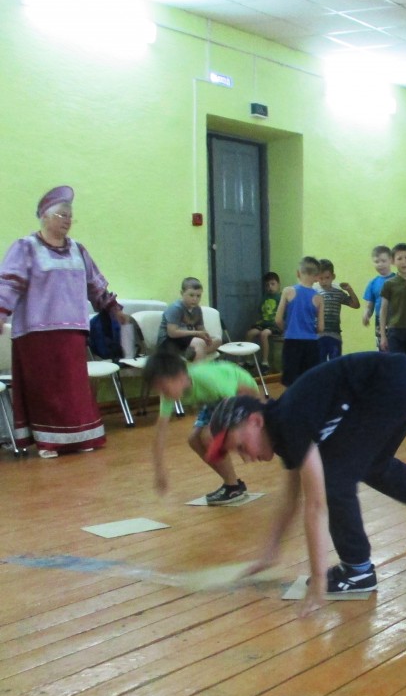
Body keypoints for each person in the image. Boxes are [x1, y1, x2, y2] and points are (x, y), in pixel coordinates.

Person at [204, 352, 406, 616]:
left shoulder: (290, 421)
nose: (245, 458)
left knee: (333, 477)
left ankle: (357, 570)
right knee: (374, 466)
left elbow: (316, 505)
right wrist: (269, 553)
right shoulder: (282, 428)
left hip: (395, 382)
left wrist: (318, 582)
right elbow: (290, 499)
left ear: (255, 421)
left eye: (240, 446)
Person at [0, 185, 126, 457]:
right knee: (45, 390)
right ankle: (49, 443)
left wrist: (113, 308)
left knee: (73, 389)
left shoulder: (78, 250)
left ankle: (80, 438)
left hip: (72, 331)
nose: (67, 220)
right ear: (44, 216)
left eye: (70, 216)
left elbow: (95, 285)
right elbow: (9, 284)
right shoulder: (26, 247)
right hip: (36, 334)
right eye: (61, 215)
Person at [143, 348, 260, 503]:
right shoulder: (169, 392)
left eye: (163, 387)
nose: (162, 393)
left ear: (180, 376)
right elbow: (160, 433)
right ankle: (232, 484)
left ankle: (233, 487)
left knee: (208, 436)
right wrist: (159, 471)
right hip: (216, 400)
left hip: (240, 393)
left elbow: (238, 403)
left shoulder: (206, 378)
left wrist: (242, 443)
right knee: (193, 440)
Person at [276, 256, 324, 387]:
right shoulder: (319, 298)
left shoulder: (288, 291)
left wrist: (287, 330)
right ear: (317, 277)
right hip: (311, 343)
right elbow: (321, 328)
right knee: (309, 381)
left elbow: (278, 319)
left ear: (298, 273)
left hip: (292, 341)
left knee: (290, 381)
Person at [158, 277, 221, 362]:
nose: (195, 299)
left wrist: (206, 336)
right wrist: (196, 333)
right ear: (182, 293)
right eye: (191, 295)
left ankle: (191, 353)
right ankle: (197, 365)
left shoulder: (197, 309)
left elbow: (200, 329)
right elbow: (172, 333)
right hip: (168, 342)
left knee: (217, 340)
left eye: (198, 296)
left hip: (187, 340)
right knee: (199, 342)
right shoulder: (175, 308)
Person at [315, 259, 360, 363]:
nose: (324, 281)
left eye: (327, 278)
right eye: (321, 278)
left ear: (333, 277)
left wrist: (350, 290)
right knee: (319, 364)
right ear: (316, 277)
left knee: (335, 363)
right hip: (318, 335)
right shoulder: (314, 293)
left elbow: (355, 305)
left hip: (334, 334)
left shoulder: (338, 293)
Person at [245, 272, 281, 370]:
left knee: (264, 334)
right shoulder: (265, 297)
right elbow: (261, 311)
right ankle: (249, 360)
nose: (270, 287)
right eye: (267, 285)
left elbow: (284, 314)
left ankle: (265, 362)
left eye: (273, 284)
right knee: (250, 333)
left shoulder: (280, 298)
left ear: (278, 284)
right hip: (264, 323)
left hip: (275, 325)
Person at [361, 246, 394, 351]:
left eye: (383, 261)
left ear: (391, 260)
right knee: (383, 348)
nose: (380, 264)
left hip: (397, 319)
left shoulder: (397, 279)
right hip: (380, 321)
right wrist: (366, 314)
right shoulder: (373, 283)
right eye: (376, 261)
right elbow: (369, 305)